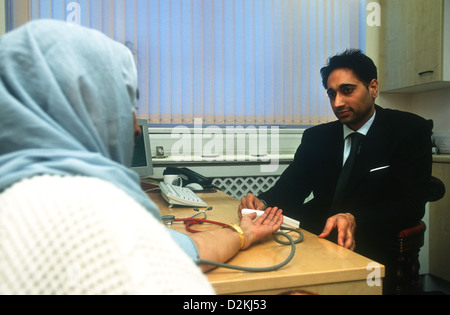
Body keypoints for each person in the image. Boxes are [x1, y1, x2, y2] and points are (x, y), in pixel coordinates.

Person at [0, 20, 282, 295]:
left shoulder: (19, 199)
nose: (135, 127)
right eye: (126, 103)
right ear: (84, 105)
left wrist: (242, 232)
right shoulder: (93, 215)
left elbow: (181, 249)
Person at [239, 49, 432, 291]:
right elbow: (291, 188)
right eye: (332, 94)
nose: (337, 102)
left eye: (347, 90)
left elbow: (411, 204)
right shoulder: (317, 137)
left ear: (373, 88)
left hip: (372, 244)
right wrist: (262, 203)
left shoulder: (409, 130)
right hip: (313, 238)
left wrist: (354, 218)